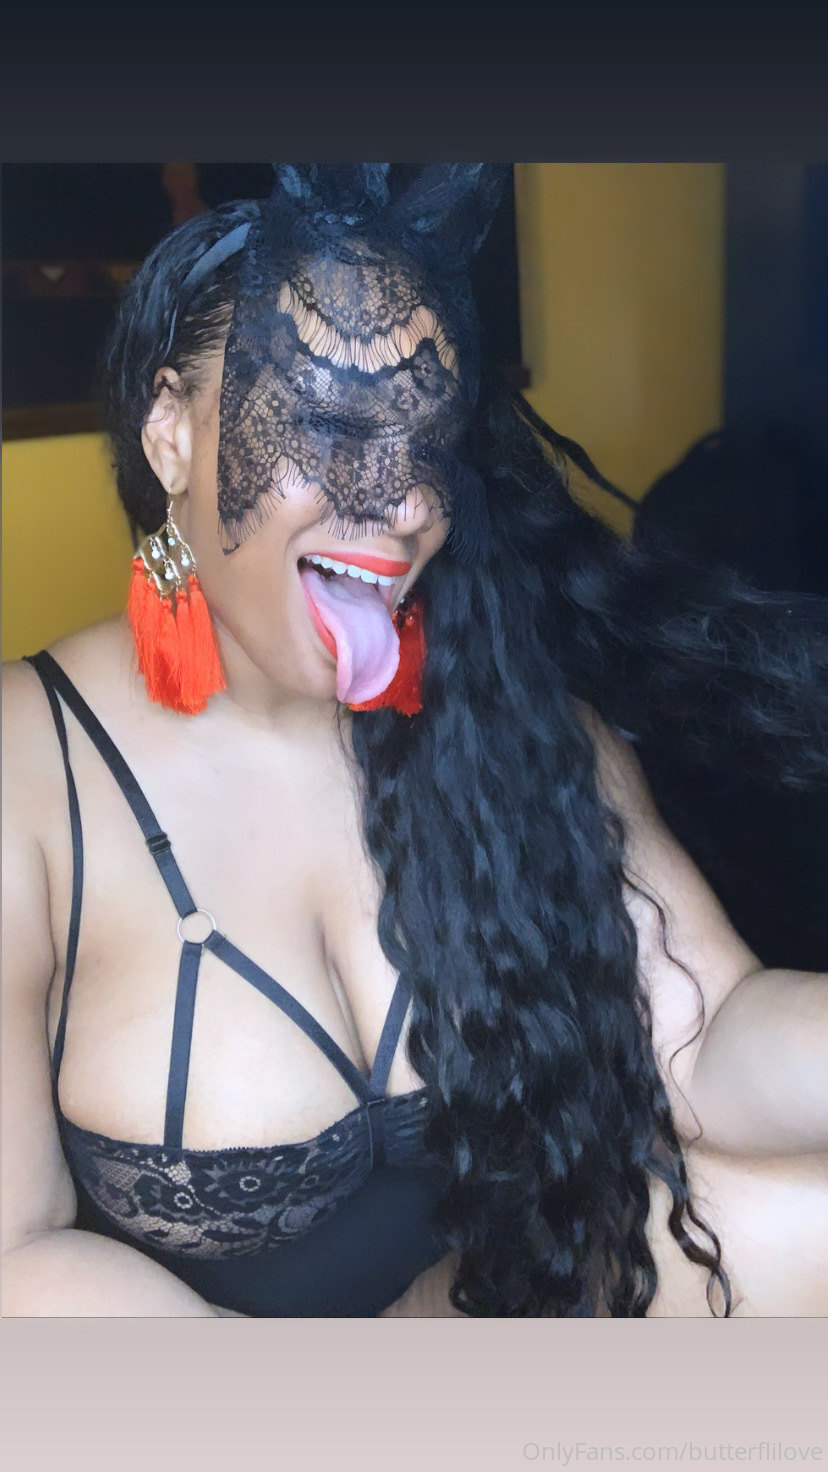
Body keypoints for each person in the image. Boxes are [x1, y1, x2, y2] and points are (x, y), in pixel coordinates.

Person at [2, 164, 826, 1318]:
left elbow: (704, 1041)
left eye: (426, 440)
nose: (401, 504)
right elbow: (17, 1253)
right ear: (169, 431)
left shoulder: (506, 716)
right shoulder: (27, 765)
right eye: (330, 427)